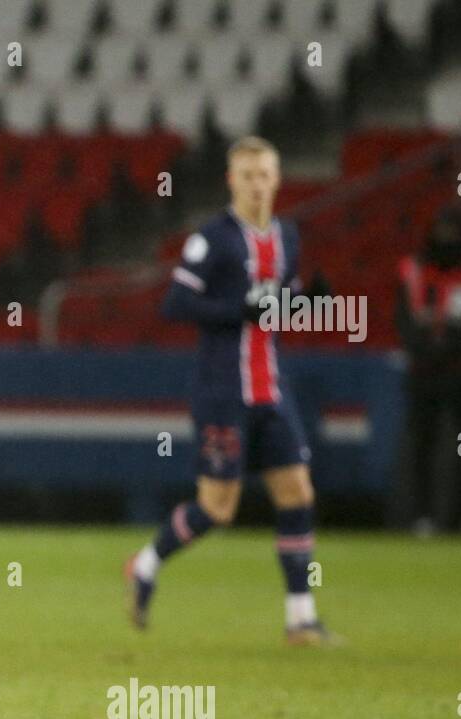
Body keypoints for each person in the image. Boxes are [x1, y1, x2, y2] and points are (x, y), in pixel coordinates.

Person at [125, 136, 335, 645]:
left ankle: (300, 619)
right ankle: (147, 563)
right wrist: (234, 310)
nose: (258, 185)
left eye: (266, 175)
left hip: (272, 388)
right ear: (232, 181)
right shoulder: (213, 238)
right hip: (222, 391)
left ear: (278, 179)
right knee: (218, 508)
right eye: (248, 176)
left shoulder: (287, 235)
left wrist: (306, 301)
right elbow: (175, 305)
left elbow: (273, 311)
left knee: (297, 493)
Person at [395, 208, 461, 535]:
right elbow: (404, 322)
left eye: (453, 231)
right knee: (424, 446)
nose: (447, 238)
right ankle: (422, 516)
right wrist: (426, 350)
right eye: (442, 230)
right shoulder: (414, 271)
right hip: (425, 373)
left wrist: (452, 349)